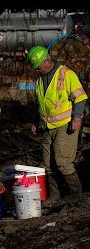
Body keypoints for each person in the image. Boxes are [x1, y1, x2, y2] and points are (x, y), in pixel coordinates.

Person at [28, 45, 88, 200]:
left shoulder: (66, 74)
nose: (37, 69)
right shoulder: (40, 79)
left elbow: (80, 97)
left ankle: (77, 197)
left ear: (46, 61)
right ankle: (55, 195)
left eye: (38, 66)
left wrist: (77, 117)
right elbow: (39, 103)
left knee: (63, 162)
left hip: (65, 125)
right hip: (47, 126)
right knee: (47, 164)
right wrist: (36, 121)